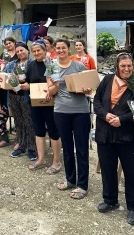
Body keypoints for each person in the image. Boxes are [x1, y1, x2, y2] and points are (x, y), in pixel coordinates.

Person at [94, 53, 134, 225]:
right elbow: (96, 102)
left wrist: (121, 120)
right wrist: (106, 115)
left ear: (133, 67)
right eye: (123, 66)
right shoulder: (107, 80)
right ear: (116, 67)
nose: (126, 69)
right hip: (106, 133)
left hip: (128, 136)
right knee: (108, 169)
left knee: (132, 173)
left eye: (129, 66)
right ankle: (110, 200)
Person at [48, 38, 91, 199]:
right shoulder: (51, 66)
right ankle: (70, 179)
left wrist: (85, 89)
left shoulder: (78, 66)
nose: (60, 50)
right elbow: (50, 91)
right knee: (67, 147)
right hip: (61, 111)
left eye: (63, 48)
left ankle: (82, 185)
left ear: (68, 49)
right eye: (57, 48)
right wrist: (56, 85)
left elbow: (88, 88)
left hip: (80, 111)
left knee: (81, 148)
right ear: (55, 49)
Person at [20, 40, 62, 174]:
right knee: (38, 130)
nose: (37, 53)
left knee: (53, 131)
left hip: (50, 102)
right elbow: (26, 81)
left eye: (39, 50)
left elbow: (56, 83)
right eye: (34, 51)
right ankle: (41, 159)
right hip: (35, 102)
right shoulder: (31, 64)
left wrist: (50, 90)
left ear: (45, 50)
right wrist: (19, 83)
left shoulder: (51, 64)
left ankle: (56, 161)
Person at [0, 42, 37, 160]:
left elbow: (38, 79)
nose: (20, 53)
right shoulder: (12, 64)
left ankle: (32, 148)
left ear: (27, 50)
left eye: (22, 50)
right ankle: (21, 146)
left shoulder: (33, 63)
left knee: (29, 122)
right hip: (13, 96)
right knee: (18, 122)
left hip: (27, 96)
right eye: (17, 51)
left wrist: (26, 82)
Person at [0, 37, 18, 147]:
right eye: (6, 43)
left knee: (20, 116)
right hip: (3, 93)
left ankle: (20, 139)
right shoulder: (4, 56)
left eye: (10, 43)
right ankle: (4, 136)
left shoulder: (19, 56)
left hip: (17, 93)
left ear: (14, 43)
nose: (8, 45)